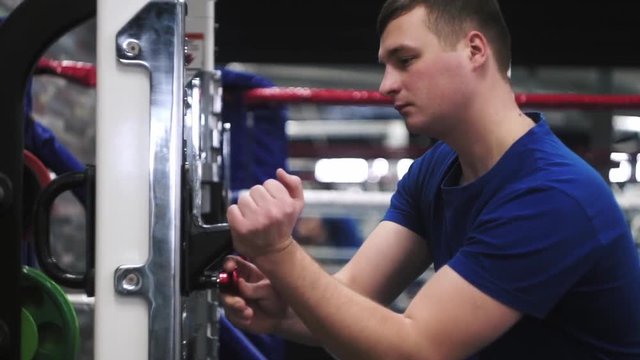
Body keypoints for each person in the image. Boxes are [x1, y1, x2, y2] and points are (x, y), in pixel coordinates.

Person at [221, 0, 640, 358]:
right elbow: (352, 295)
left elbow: (417, 349)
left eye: (405, 61)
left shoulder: (552, 195)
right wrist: (287, 311)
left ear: (475, 50)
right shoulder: (437, 167)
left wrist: (278, 251)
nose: (386, 85)